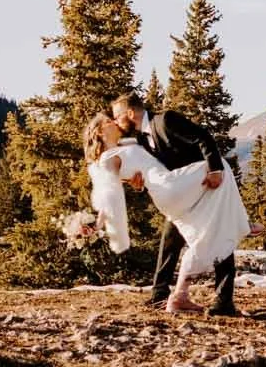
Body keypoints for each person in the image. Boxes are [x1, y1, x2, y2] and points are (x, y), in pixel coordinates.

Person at [83, 111, 248, 316]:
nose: (115, 121)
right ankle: (242, 222)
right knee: (218, 167)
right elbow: (110, 193)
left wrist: (135, 182)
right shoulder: (108, 158)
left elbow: (137, 173)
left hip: (167, 191)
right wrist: (97, 223)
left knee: (202, 229)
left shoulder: (127, 143)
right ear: (99, 131)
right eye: (109, 121)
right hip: (170, 185)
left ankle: (178, 296)